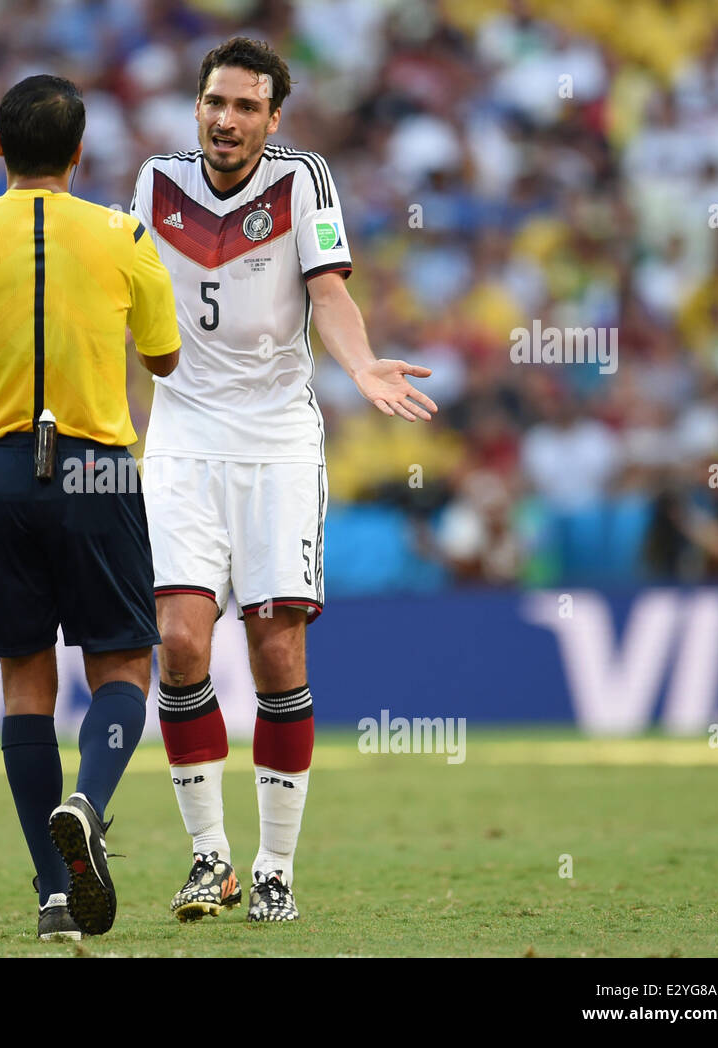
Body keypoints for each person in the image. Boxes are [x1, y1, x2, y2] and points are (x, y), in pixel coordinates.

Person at [129, 38, 437, 923]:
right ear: (198, 108)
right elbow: (119, 292)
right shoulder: (154, 185)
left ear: (273, 119)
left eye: (246, 108)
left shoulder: (304, 182)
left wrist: (365, 365)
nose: (227, 121)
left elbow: (330, 291)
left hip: (275, 440)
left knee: (276, 654)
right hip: (183, 435)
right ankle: (209, 859)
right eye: (214, 104)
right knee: (181, 643)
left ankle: (274, 868)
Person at [0, 75, 180, 940]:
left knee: (25, 680)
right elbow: (165, 359)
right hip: (96, 467)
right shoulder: (124, 234)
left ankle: (53, 894)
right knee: (126, 668)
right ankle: (88, 804)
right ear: (78, 154)